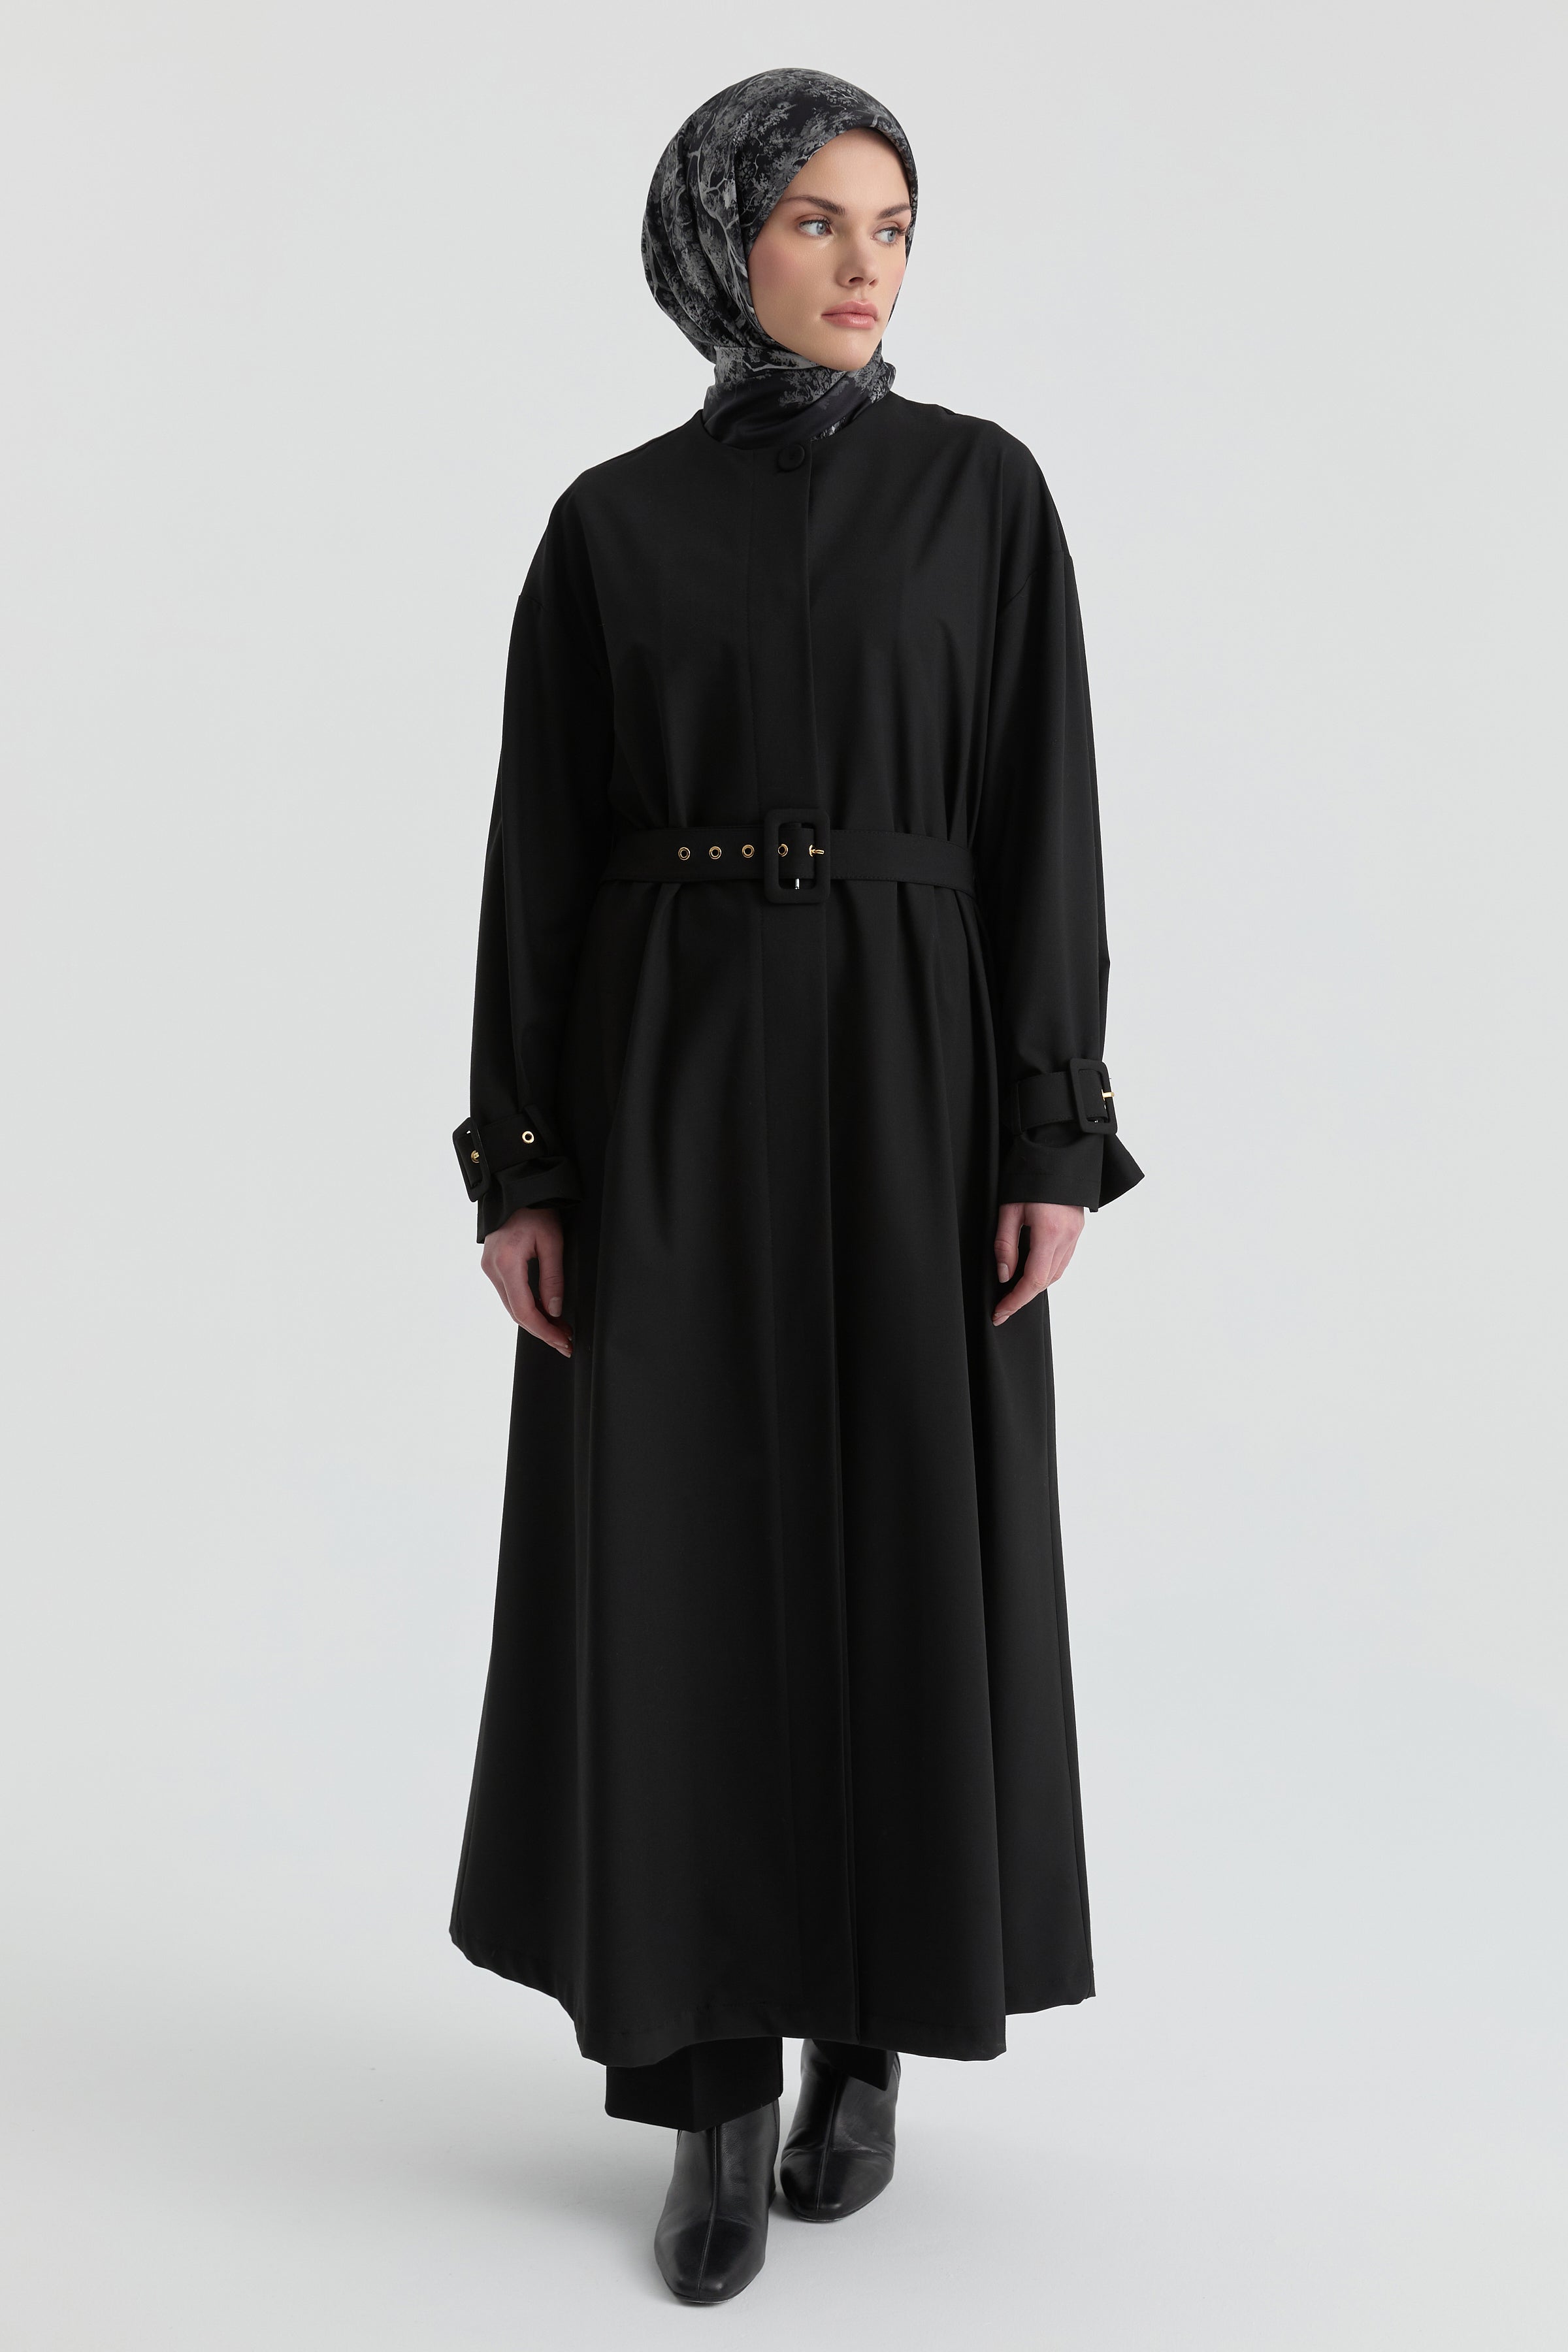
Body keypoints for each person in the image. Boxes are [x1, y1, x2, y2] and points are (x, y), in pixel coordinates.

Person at [448, 66, 1143, 2306]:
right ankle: (712, 2096)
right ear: (720, 238)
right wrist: (524, 1161)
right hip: (669, 1078)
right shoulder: (611, 528)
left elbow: (1043, 820)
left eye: (895, 224)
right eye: (821, 220)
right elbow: (538, 860)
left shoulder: (981, 496)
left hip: (918, 1077)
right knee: (681, 1559)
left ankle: (873, 2037)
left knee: (898, 1543)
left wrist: (1050, 1130)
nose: (865, 264)